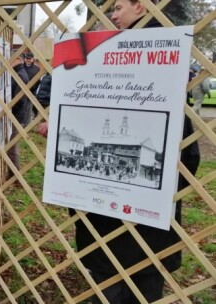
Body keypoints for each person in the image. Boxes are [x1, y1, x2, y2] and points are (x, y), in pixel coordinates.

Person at [70, 1, 201, 303]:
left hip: (102, 221)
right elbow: (188, 158)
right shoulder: (165, 71)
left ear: (140, 6)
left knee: (109, 289)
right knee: (143, 290)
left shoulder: (105, 61)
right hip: (149, 232)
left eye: (117, 7)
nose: (112, 15)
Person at [7, 55, 30, 178]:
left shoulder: (20, 75)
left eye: (11, 59)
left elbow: (19, 100)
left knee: (13, 146)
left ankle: (14, 176)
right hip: (15, 114)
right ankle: (12, 173)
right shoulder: (18, 73)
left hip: (16, 115)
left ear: (17, 59)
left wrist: (8, 109)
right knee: (11, 144)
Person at [22, 52, 41, 117]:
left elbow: (38, 81)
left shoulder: (37, 69)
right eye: (27, 58)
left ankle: (27, 124)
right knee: (21, 109)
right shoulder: (21, 68)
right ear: (24, 59)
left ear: (33, 59)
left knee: (29, 109)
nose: (28, 60)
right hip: (20, 92)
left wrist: (33, 90)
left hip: (31, 92)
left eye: (29, 59)